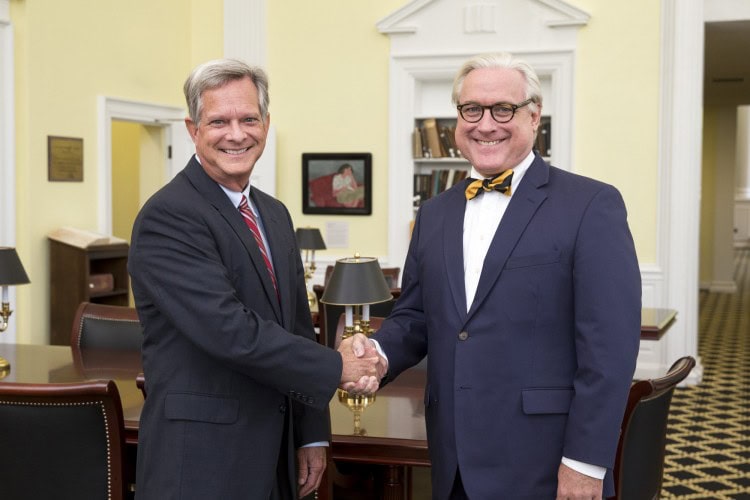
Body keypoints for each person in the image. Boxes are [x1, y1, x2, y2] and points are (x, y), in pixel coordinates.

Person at [358, 52, 642, 498]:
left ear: (534, 115)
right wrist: (377, 352)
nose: (485, 124)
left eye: (502, 109)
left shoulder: (591, 206)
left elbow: (609, 352)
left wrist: (585, 463)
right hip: (452, 461)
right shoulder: (433, 214)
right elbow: (414, 317)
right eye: (472, 109)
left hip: (547, 465)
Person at [128, 58, 382, 500]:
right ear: (192, 129)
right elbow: (228, 330)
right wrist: (338, 366)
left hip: (277, 456)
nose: (236, 134)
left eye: (249, 118)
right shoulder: (168, 216)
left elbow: (297, 328)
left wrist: (311, 434)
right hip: (202, 463)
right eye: (218, 121)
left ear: (266, 123)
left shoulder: (274, 213)